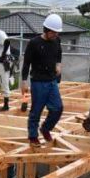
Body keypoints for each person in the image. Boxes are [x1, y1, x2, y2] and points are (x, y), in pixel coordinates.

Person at [24, 13, 65, 146]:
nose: (56, 35)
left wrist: (58, 64)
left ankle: (45, 128)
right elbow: (26, 63)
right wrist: (24, 81)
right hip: (38, 82)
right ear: (46, 30)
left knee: (58, 108)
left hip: (52, 80)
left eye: (57, 33)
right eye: (54, 32)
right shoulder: (34, 43)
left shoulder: (56, 41)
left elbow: (59, 53)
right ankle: (33, 136)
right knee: (36, 110)